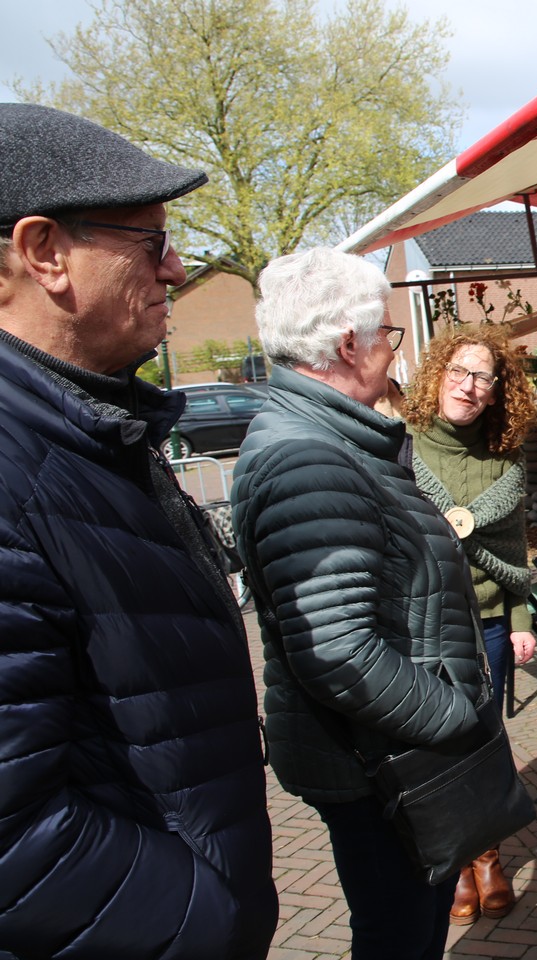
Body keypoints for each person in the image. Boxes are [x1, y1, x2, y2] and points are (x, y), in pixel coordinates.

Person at [0, 103, 278, 956]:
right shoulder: (19, 469)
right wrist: (209, 918)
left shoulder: (92, 430)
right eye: (151, 242)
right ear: (44, 253)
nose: (177, 268)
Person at [232, 248, 491, 960]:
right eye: (387, 332)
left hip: (385, 755)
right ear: (350, 344)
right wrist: (453, 715)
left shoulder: (331, 439)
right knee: (398, 933)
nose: (393, 350)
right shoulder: (309, 459)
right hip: (377, 765)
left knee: (412, 925)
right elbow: (339, 651)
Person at [401, 328, 537, 924]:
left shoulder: (504, 460)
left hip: (487, 624)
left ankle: (488, 857)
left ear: (497, 392)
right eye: (458, 371)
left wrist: (520, 618)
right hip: (422, 623)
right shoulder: (402, 448)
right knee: (437, 743)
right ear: (437, 376)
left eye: (483, 377)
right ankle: (458, 861)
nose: (468, 386)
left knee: (485, 737)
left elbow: (514, 548)